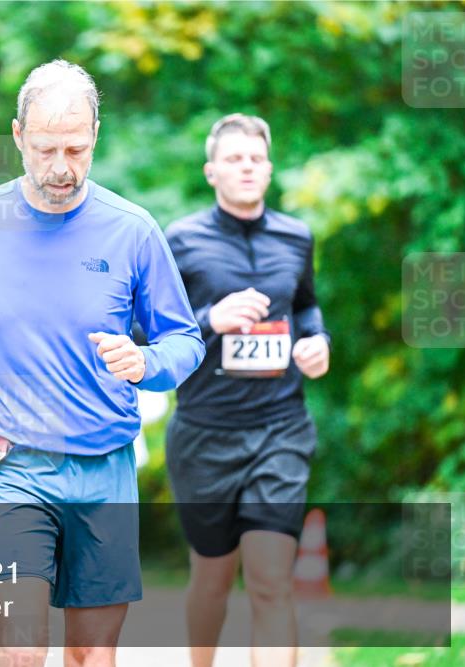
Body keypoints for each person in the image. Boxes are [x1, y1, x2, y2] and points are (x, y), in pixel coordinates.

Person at [0, 59, 205, 667]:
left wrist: (144, 361)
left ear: (96, 135)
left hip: (104, 470)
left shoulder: (133, 231)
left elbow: (186, 342)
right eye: (45, 149)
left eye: (76, 148)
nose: (61, 168)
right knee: (22, 648)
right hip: (6, 463)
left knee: (92, 655)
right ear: (18, 136)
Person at [164, 113, 331, 667]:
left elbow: (304, 305)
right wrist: (212, 317)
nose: (246, 168)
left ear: (269, 169)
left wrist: (316, 340)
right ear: (212, 171)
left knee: (270, 579)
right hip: (205, 434)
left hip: (280, 428)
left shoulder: (296, 236)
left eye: (256, 159)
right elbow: (146, 333)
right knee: (212, 580)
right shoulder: (181, 240)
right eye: (234, 159)